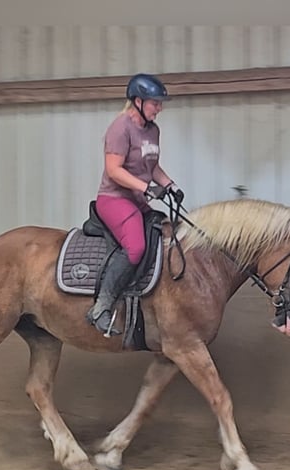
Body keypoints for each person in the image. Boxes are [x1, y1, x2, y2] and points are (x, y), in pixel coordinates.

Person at [85, 72, 184, 336]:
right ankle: (101, 306)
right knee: (136, 247)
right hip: (115, 199)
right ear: (138, 101)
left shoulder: (153, 130)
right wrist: (146, 188)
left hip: (138, 200)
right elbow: (114, 170)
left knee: (167, 232)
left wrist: (170, 185)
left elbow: (152, 166)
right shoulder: (120, 128)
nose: (159, 108)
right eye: (155, 102)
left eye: (160, 103)